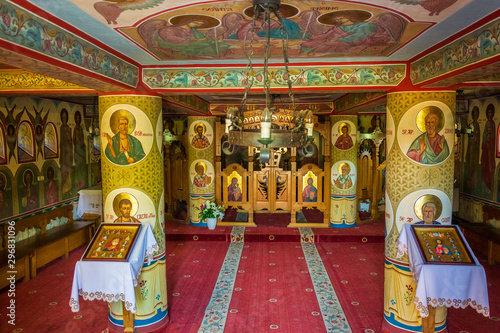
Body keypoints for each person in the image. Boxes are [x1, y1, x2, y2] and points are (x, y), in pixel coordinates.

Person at [481, 104, 496, 191]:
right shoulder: (487, 123)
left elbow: (493, 137)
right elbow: (483, 134)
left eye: (491, 112)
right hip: (486, 148)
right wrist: (486, 136)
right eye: (488, 112)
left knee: (489, 165)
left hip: (490, 148)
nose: (489, 114)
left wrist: (490, 134)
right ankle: (484, 185)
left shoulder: (493, 123)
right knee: (484, 164)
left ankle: (488, 185)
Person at [59, 108, 73, 197]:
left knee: (69, 171)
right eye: (63, 117)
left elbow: (71, 142)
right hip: (64, 154)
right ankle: (64, 190)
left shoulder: (68, 128)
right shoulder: (61, 128)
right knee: (64, 171)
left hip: (68, 153)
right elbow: (61, 142)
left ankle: (69, 189)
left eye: (65, 117)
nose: (64, 119)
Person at [73, 111, 86, 190]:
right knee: (78, 167)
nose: (78, 120)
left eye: (79, 118)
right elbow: (74, 139)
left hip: (81, 149)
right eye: (76, 118)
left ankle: (82, 183)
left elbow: (83, 139)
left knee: (82, 166)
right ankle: (78, 183)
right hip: (77, 150)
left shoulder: (81, 128)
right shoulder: (75, 129)